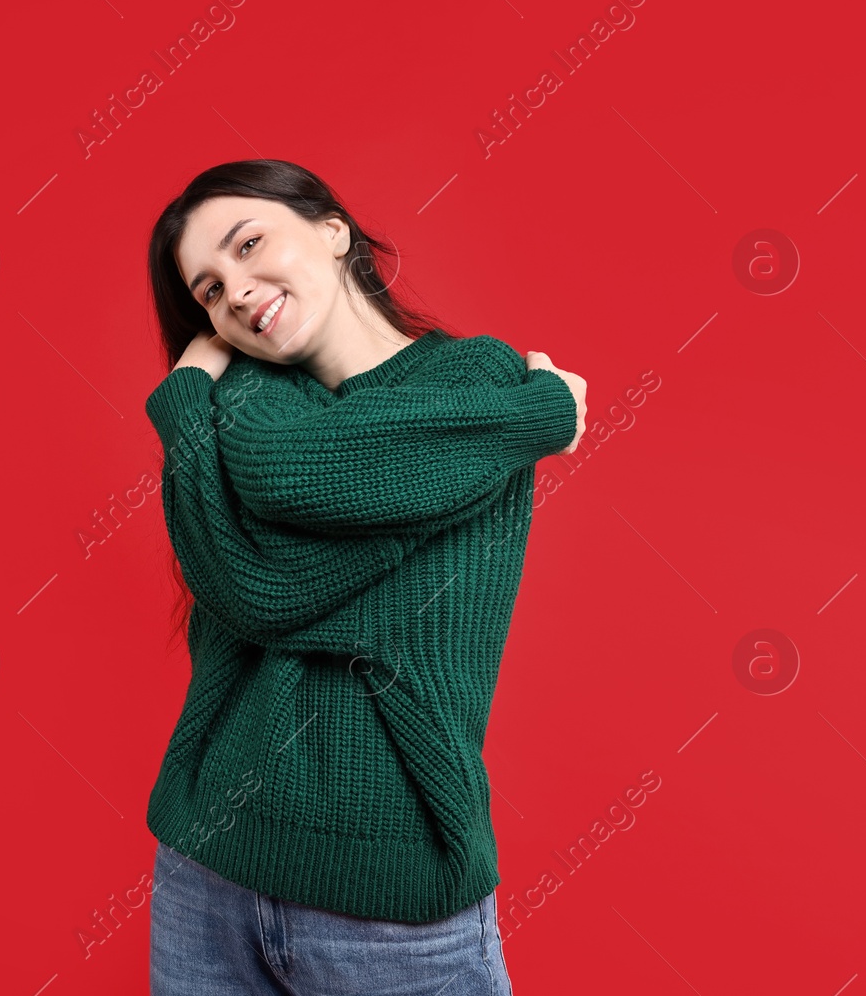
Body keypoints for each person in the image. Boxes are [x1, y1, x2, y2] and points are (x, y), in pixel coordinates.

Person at [141, 160, 587, 995]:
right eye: (208, 289)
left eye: (249, 244)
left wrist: (532, 409)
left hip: (392, 901)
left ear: (333, 230)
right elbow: (247, 583)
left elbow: (267, 580)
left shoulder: (474, 382)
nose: (235, 291)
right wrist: (190, 394)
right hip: (206, 872)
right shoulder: (244, 400)